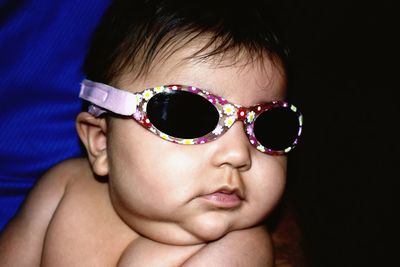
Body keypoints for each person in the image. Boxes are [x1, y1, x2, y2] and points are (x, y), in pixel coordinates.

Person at [0, 0, 303, 265]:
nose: (238, 154)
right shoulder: (61, 189)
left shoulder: (240, 250)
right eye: (188, 116)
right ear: (101, 142)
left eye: (268, 127)